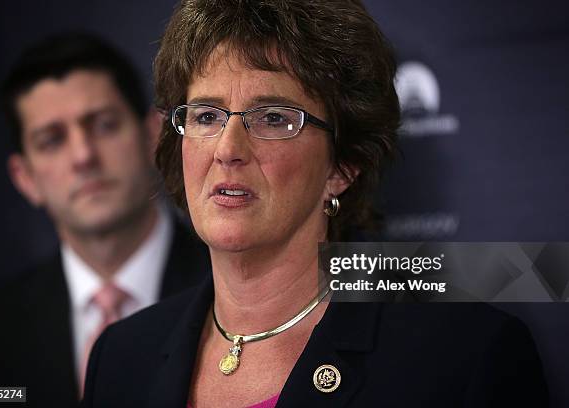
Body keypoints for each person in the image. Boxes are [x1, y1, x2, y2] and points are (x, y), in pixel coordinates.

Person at [81, 1, 548, 407]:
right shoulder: (121, 358)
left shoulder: (465, 358)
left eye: (274, 117)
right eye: (206, 115)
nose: (227, 148)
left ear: (341, 166)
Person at [0, 33, 210, 408]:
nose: (83, 155)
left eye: (105, 125)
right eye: (52, 140)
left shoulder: (230, 290)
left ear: (152, 136)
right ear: (25, 178)